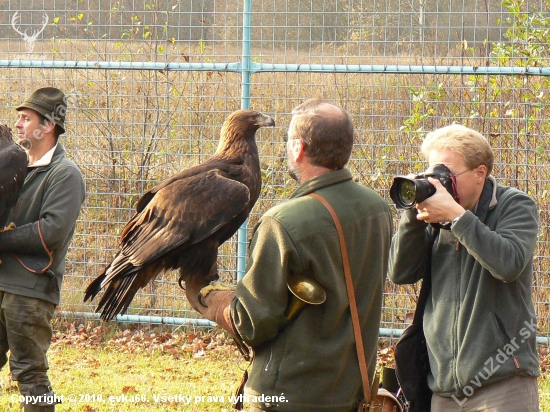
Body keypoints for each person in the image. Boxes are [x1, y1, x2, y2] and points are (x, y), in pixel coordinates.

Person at [186, 99, 393, 411]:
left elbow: (250, 323)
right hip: (351, 391)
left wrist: (207, 297)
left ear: (298, 149)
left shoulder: (283, 222)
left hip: (290, 395)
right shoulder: (377, 208)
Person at [388, 124, 540, 411]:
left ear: (480, 173)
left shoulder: (514, 205)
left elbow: (508, 264)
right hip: (443, 388)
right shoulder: (435, 218)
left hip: (502, 383)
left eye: (446, 174)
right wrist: (412, 217)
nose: (439, 183)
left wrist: (458, 218)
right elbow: (400, 273)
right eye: (433, 173)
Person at [0, 87, 85, 412]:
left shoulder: (65, 175)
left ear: (47, 126)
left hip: (30, 289)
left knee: (30, 376)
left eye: (26, 118)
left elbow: (51, 232)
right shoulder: (14, 166)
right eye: (19, 118)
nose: (18, 125)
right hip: (1, 281)